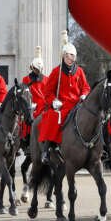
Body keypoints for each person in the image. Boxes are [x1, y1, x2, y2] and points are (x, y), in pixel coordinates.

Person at [39, 30, 90, 164]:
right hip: (61, 105)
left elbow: (85, 87)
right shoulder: (56, 71)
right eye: (68, 56)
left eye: (73, 56)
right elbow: (47, 91)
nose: (71, 59)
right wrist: (53, 101)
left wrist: (84, 94)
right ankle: (47, 149)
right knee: (51, 117)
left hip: (77, 104)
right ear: (63, 56)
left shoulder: (79, 71)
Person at [20, 46, 47, 143]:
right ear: (32, 67)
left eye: (38, 69)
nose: (37, 71)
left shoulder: (46, 80)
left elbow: (47, 94)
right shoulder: (26, 79)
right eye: (35, 68)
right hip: (30, 105)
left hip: (42, 106)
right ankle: (25, 141)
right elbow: (24, 93)